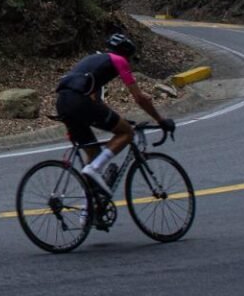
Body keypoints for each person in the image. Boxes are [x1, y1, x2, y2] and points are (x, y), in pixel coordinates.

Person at [53, 32, 174, 195]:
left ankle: (88, 211)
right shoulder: (119, 60)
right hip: (79, 102)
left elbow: (96, 101)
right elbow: (139, 98)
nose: (129, 62)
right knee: (126, 132)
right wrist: (160, 120)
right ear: (127, 54)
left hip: (63, 103)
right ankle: (94, 169)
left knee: (94, 153)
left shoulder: (93, 61)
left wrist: (120, 119)